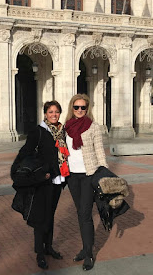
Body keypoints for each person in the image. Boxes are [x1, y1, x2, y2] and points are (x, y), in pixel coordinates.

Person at [11, 100, 69, 270]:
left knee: (50, 215)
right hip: (43, 181)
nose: (54, 115)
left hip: (58, 181)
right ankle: (40, 253)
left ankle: (49, 247)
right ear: (45, 114)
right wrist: (39, 173)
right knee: (40, 218)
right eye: (50, 112)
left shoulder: (61, 131)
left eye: (57, 112)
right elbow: (26, 153)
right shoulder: (38, 132)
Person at [65, 94, 108, 271]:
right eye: (77, 107)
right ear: (72, 108)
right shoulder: (66, 127)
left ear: (87, 108)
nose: (80, 110)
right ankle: (85, 247)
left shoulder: (93, 127)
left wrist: (104, 174)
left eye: (83, 107)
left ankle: (89, 254)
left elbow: (100, 152)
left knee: (84, 213)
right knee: (80, 213)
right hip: (72, 176)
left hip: (88, 175)